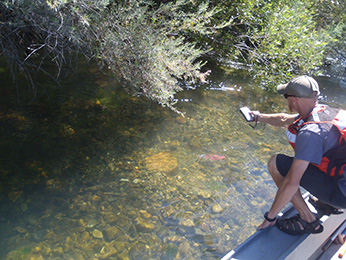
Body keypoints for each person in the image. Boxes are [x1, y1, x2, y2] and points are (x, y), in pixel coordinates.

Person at [250, 75, 346, 235]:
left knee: (276, 163)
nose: (286, 101)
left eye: (286, 97)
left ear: (294, 100)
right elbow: (284, 119)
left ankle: (308, 220)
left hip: (342, 195)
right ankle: (329, 203)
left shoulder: (311, 133)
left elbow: (291, 183)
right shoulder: (325, 111)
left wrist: (270, 217)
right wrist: (258, 117)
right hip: (341, 178)